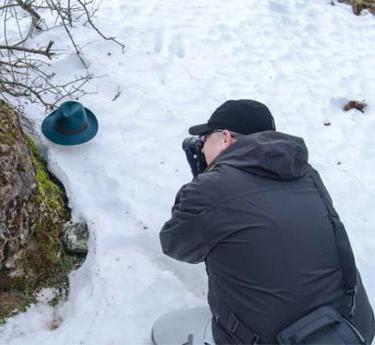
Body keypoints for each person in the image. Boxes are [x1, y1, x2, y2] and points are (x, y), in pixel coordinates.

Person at [159, 99, 374, 344]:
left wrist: (202, 181)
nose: (202, 145)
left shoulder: (210, 189)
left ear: (225, 138)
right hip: (352, 329)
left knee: (164, 330)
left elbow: (174, 243)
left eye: (206, 138)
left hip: (269, 339)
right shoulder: (307, 174)